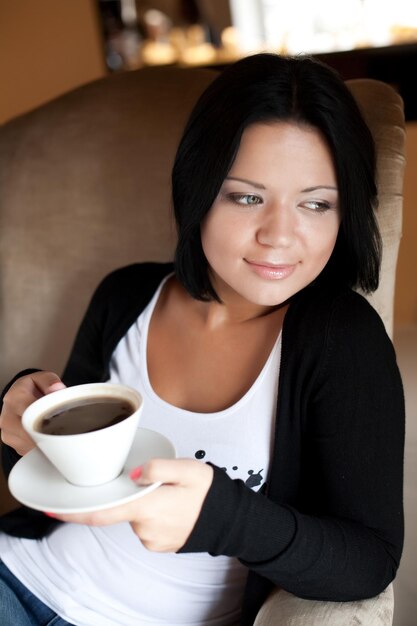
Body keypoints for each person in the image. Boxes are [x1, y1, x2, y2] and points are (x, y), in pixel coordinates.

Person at [0, 53, 405, 626]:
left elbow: (370, 561)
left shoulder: (342, 341)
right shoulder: (125, 297)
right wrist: (17, 412)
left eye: (316, 203)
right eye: (246, 197)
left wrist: (221, 515)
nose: (279, 236)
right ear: (199, 188)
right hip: (18, 571)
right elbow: (61, 468)